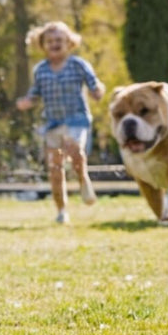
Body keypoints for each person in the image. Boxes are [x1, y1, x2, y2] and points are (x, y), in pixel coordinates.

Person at [16, 21, 105, 224]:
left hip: (77, 120)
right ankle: (61, 211)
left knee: (74, 148)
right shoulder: (40, 70)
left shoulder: (78, 65)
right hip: (53, 123)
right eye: (49, 41)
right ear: (43, 45)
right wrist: (26, 102)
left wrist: (97, 91)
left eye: (59, 40)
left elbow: (94, 85)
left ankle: (83, 178)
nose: (54, 44)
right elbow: (35, 94)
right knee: (55, 167)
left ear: (69, 43)